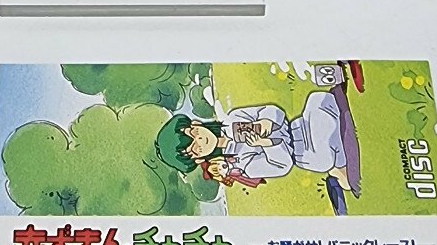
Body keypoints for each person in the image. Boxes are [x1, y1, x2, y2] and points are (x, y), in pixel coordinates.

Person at [155, 66, 363, 213]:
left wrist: (266, 122)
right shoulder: (241, 164)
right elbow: (283, 165)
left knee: (319, 100)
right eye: (194, 150)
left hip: (299, 125)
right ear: (199, 159)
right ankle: (339, 171)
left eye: (193, 134)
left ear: (196, 125)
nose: (200, 142)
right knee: (323, 156)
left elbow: (273, 111)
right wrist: (266, 144)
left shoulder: (233, 119)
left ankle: (339, 169)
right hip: (305, 153)